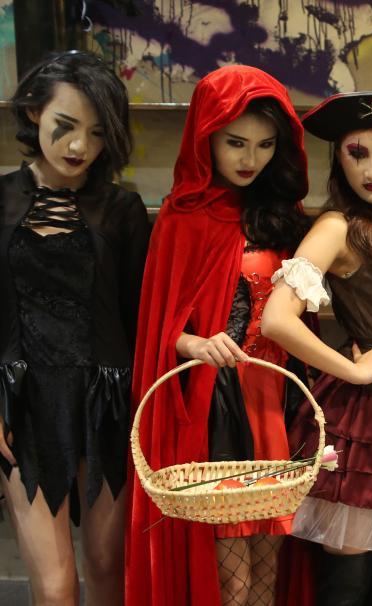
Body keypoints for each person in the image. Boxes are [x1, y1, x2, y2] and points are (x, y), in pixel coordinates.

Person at [126, 65, 311, 606]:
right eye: (236, 143)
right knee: (233, 577)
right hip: (218, 405)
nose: (250, 158)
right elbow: (158, 329)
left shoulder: (282, 217)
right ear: (205, 136)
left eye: (265, 145)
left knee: (269, 566)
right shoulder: (181, 219)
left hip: (277, 399)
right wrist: (196, 343)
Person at [260, 90, 372, 606]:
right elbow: (276, 319)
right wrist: (354, 370)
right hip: (359, 420)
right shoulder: (336, 226)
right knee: (349, 585)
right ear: (338, 156)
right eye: (357, 153)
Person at [0, 50, 146, 606]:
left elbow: (138, 315)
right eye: (65, 125)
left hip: (108, 402)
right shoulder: (0, 200)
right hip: (23, 403)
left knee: (109, 569)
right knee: (56, 586)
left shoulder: (122, 209)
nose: (80, 146)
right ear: (34, 112)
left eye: (98, 132)